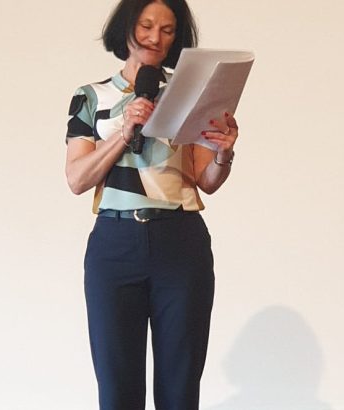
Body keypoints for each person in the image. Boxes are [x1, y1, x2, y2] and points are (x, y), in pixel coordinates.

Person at [64, 1, 239, 409]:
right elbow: (77, 179)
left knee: (179, 387)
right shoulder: (90, 96)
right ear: (126, 27)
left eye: (167, 30)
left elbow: (206, 180)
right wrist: (124, 133)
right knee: (117, 389)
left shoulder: (192, 93)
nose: (155, 38)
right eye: (145, 26)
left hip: (180, 242)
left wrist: (224, 153)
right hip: (115, 244)